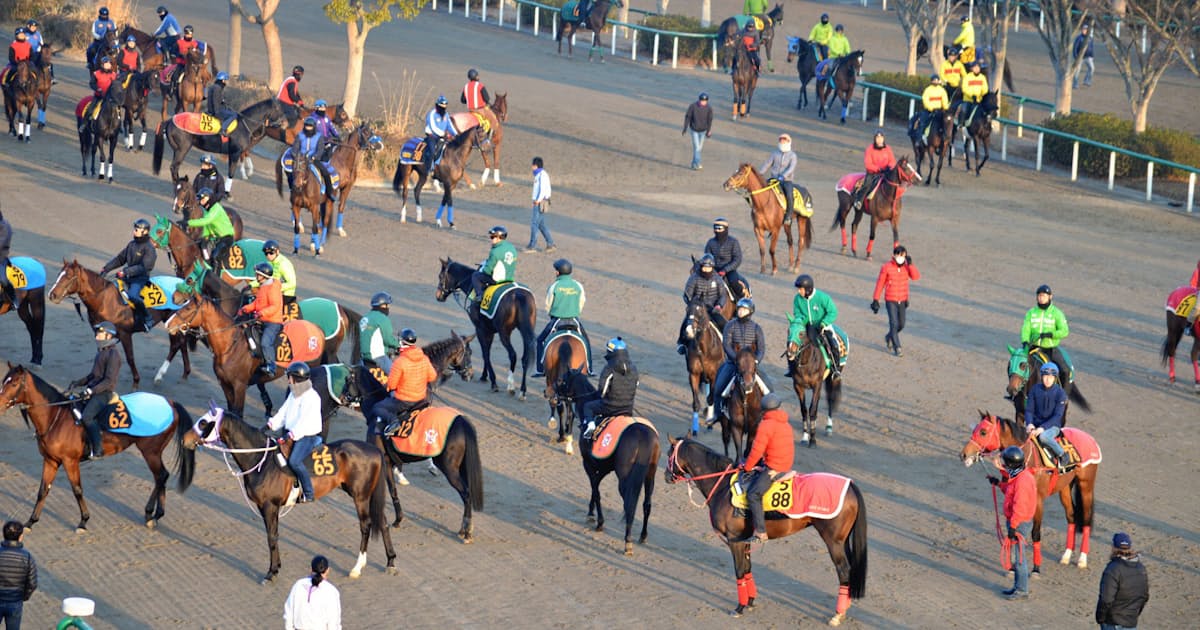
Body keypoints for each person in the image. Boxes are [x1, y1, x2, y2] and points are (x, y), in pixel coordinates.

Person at [736, 393, 793, 542]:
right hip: (784, 463)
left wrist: (747, 467)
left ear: (764, 410)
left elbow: (756, 451)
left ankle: (761, 532)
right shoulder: (785, 423)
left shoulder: (766, 425)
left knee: (753, 495)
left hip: (775, 467)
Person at [265, 362, 323, 503]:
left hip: (307, 436)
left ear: (296, 378)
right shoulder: (294, 394)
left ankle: (309, 492)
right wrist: (271, 424)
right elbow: (283, 413)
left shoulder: (312, 397)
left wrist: (290, 435)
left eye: (289, 377)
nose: (288, 380)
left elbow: (304, 422)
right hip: (292, 433)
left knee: (294, 461)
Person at [68, 321, 122, 459]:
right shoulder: (102, 352)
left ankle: (98, 449)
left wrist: (91, 391)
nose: (96, 336)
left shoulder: (113, 355)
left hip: (104, 394)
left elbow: (109, 381)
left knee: (87, 416)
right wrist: (78, 382)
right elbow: (93, 375)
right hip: (95, 389)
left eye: (100, 333)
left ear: (109, 336)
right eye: (97, 333)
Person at [989, 446, 1036, 599]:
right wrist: (998, 484)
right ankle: (1018, 586)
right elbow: (1010, 492)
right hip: (1019, 521)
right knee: (1017, 557)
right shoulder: (1020, 476)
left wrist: (1013, 526)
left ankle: (1022, 590)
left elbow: (1020, 506)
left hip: (1019, 523)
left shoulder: (1022, 481)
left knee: (1019, 558)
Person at [372, 328, 438, 436]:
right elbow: (432, 376)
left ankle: (393, 421)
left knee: (377, 407)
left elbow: (392, 385)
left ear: (402, 343)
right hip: (421, 399)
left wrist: (386, 385)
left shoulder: (400, 362)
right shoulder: (424, 358)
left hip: (404, 402)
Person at [713, 298, 767, 422]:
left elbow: (761, 348)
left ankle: (767, 414)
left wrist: (756, 361)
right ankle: (717, 413)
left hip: (751, 366)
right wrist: (736, 360)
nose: (740, 312)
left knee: (769, 389)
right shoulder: (730, 325)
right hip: (733, 363)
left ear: (750, 311)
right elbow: (726, 344)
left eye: (744, 310)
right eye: (739, 309)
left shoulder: (756, 328)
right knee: (718, 387)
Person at [535, 259, 592, 376]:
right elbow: (582, 301)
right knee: (586, 342)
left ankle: (540, 369)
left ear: (557, 272)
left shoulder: (554, 286)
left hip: (557, 320)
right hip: (574, 320)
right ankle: (590, 369)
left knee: (540, 340)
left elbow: (548, 305)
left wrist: (552, 313)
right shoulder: (578, 285)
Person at [100, 218, 157, 332]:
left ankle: (148, 318)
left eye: (136, 230)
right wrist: (106, 268)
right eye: (134, 229)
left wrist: (126, 272)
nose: (134, 232)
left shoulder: (149, 248)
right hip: (127, 276)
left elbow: (144, 267)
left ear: (144, 232)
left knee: (133, 295)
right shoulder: (132, 244)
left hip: (140, 278)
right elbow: (120, 259)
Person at [581, 338, 638, 438]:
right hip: (628, 408)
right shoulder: (633, 368)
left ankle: (590, 427)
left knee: (588, 406)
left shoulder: (609, 368)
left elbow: (602, 391)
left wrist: (601, 396)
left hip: (610, 407)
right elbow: (635, 385)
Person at [786, 274, 842, 377]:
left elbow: (833, 312)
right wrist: (800, 321)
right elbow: (797, 313)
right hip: (805, 326)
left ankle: (835, 368)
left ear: (808, 289)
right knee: (791, 342)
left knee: (833, 344)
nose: (799, 291)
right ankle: (791, 369)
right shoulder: (797, 299)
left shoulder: (822, 297)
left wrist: (824, 323)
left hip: (822, 326)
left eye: (800, 289)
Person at [871, 245, 920, 357]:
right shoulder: (886, 267)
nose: (901, 257)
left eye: (903, 255)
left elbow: (916, 277)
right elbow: (880, 283)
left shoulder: (907, 267)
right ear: (894, 255)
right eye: (899, 255)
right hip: (890, 300)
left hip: (902, 299)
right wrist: (875, 299)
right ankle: (897, 346)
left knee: (901, 324)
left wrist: (911, 265)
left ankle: (889, 337)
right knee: (893, 323)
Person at [675, 254, 728, 354]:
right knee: (686, 322)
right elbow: (687, 294)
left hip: (712, 308)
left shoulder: (717, 279)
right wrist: (692, 304)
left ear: (712, 268)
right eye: (704, 268)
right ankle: (682, 343)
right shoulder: (694, 278)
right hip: (696, 308)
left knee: (724, 324)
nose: (706, 270)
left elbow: (723, 295)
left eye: (709, 268)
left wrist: (719, 305)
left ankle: (728, 346)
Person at [1096, 532, 1149, 630]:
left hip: (1112, 623)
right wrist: (1133, 615)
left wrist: (1100, 618)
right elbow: (1144, 596)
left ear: (1113, 547)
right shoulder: (1141, 568)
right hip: (1131, 624)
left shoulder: (1113, 569)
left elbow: (1106, 599)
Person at [238, 263, 284, 376]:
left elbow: (275, 306)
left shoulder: (273, 288)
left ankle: (271, 366)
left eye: (258, 274)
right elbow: (258, 303)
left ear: (264, 276)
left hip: (272, 322)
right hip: (262, 319)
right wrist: (246, 309)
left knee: (265, 343)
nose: (256, 276)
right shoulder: (263, 287)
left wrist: (261, 313)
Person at [1021, 284, 1071, 382]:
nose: (1041, 298)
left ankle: (1063, 393)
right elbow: (1025, 329)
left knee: (1065, 370)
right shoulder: (1031, 313)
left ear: (1050, 297)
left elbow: (1065, 331)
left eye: (1043, 296)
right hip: (1033, 347)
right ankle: (1015, 393)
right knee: (1016, 366)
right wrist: (1025, 341)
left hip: (1050, 349)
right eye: (1039, 296)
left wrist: (1050, 334)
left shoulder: (1057, 313)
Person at [1025, 362, 1070, 467]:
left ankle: (1063, 454)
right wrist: (1029, 424)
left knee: (1043, 437)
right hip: (1035, 424)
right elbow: (1029, 410)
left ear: (1055, 378)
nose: (1048, 379)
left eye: (1051, 376)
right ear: (1041, 376)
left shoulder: (1061, 394)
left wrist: (1042, 428)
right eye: (1045, 376)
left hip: (1052, 426)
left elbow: (1057, 416)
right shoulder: (1034, 390)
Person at [283, 555, 341, 630]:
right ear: (328, 570)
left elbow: (288, 612)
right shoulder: (331, 591)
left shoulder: (298, 585)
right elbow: (333, 622)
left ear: (311, 569)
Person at [0, 520, 37, 629]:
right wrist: (23, 597)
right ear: (20, 537)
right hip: (15, 602)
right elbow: (32, 583)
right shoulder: (27, 557)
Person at [187, 188, 235, 269]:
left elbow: (206, 221)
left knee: (215, 257)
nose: (200, 201)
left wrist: (189, 223)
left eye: (202, 199)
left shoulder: (216, 208)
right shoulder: (207, 210)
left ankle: (216, 277)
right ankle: (207, 266)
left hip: (226, 238)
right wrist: (205, 236)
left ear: (208, 198)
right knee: (199, 246)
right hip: (216, 237)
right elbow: (207, 226)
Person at [471, 226, 518, 304]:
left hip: (498, 280)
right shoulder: (512, 247)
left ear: (499, 238)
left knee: (476, 275)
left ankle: (480, 296)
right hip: (510, 279)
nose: (491, 238)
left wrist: (483, 268)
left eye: (492, 237)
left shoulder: (495, 251)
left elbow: (487, 271)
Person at [705, 218, 749, 299]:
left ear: (726, 229)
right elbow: (707, 257)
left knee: (734, 283)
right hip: (714, 270)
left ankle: (741, 301)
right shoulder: (710, 243)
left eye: (720, 228)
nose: (717, 231)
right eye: (715, 228)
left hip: (729, 270)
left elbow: (737, 259)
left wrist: (725, 270)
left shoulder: (733, 242)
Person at [854, 129, 896, 210]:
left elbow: (892, 161)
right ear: (874, 139)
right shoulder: (869, 149)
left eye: (881, 138)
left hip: (886, 172)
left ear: (883, 139)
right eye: (877, 138)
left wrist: (889, 166)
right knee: (867, 184)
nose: (879, 140)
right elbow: (868, 164)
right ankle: (859, 200)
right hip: (873, 173)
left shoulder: (888, 148)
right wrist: (878, 169)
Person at [760, 133, 798, 221]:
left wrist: (783, 176)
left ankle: (788, 215)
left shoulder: (792, 156)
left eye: (784, 141)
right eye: (780, 141)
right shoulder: (775, 153)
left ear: (788, 142)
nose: (782, 143)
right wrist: (760, 173)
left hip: (786, 180)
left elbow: (791, 168)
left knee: (789, 195)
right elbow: (767, 164)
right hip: (773, 179)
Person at [359, 292, 400, 373]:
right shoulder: (382, 319)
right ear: (383, 305)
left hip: (363, 358)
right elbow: (388, 340)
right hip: (378, 357)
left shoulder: (364, 318)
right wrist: (398, 345)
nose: (388, 307)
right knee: (396, 376)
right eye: (387, 305)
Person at [526, 157, 556, 253]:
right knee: (541, 224)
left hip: (540, 202)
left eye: (532, 165)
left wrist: (538, 200)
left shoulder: (542, 175)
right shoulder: (539, 175)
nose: (531, 167)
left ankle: (532, 246)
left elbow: (542, 190)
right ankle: (550, 244)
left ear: (536, 165)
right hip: (538, 201)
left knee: (534, 223)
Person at [258, 240, 297, 309]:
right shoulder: (270, 263)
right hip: (274, 293)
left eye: (271, 253)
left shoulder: (284, 264)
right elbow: (264, 278)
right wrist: (251, 284)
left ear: (277, 252)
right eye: (266, 253)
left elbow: (292, 283)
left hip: (286, 296)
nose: (268, 255)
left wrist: (274, 288)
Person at [911, 74, 950, 143]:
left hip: (939, 110)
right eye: (934, 80)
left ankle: (946, 138)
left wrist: (945, 108)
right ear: (931, 81)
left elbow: (945, 100)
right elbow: (925, 100)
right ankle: (919, 139)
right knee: (922, 122)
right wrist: (931, 108)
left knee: (947, 123)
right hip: (929, 111)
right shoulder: (928, 90)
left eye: (936, 80)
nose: (935, 81)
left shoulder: (942, 90)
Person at [423, 95, 455, 173]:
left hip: (442, 137)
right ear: (437, 106)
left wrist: (456, 135)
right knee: (432, 151)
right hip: (432, 137)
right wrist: (443, 134)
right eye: (441, 107)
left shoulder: (446, 115)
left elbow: (450, 126)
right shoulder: (431, 114)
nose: (443, 109)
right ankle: (429, 168)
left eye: (444, 108)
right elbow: (433, 127)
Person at [682, 92, 712, 170]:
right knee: (697, 147)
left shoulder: (709, 108)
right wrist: (685, 128)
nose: (703, 102)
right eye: (702, 100)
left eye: (705, 101)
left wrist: (708, 131)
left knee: (699, 148)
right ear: (699, 100)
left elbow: (710, 120)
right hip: (694, 130)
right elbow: (688, 117)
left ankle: (693, 163)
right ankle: (698, 163)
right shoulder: (693, 106)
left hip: (703, 131)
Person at [206, 71, 238, 141]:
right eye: (225, 80)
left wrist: (223, 102)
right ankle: (223, 129)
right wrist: (216, 114)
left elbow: (217, 99)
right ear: (222, 80)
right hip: (217, 110)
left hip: (215, 109)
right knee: (234, 115)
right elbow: (215, 102)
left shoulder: (213, 87)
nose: (226, 82)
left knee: (230, 111)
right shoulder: (217, 88)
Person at [960, 60, 991, 126]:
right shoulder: (967, 77)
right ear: (972, 68)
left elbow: (985, 88)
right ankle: (961, 124)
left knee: (987, 111)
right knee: (964, 109)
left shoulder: (982, 77)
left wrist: (980, 95)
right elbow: (964, 88)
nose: (976, 69)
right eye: (975, 67)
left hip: (979, 100)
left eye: (978, 67)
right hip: (969, 100)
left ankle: (988, 124)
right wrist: (972, 95)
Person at [941, 47, 965, 113]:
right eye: (950, 56)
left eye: (953, 56)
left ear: (956, 57)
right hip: (948, 85)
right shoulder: (944, 64)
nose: (951, 58)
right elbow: (942, 75)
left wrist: (963, 82)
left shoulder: (959, 64)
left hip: (957, 86)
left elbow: (964, 75)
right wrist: (946, 81)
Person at [1073, 23, 1095, 89]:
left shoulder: (1090, 38)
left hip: (1088, 57)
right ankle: (1075, 83)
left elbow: (1091, 47)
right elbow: (1075, 48)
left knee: (1092, 68)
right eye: (1083, 29)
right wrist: (1076, 57)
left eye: (1085, 29)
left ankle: (1087, 80)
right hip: (1080, 57)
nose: (1084, 30)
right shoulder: (1079, 38)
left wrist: (1092, 55)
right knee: (1077, 71)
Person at [0, 208, 14, 307]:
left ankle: (13, 299)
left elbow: (1, 244)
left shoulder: (4, 226)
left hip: (1, 257)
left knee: (3, 280)